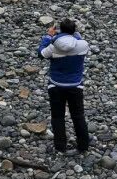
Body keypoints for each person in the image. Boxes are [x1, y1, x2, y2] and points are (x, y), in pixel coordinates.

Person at [37, 19, 90, 153]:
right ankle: (83, 146)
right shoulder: (83, 45)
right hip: (75, 85)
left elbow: (41, 54)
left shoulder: (53, 47)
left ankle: (60, 147)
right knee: (78, 116)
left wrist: (49, 36)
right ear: (74, 31)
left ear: (60, 30)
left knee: (57, 116)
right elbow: (76, 39)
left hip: (56, 85)